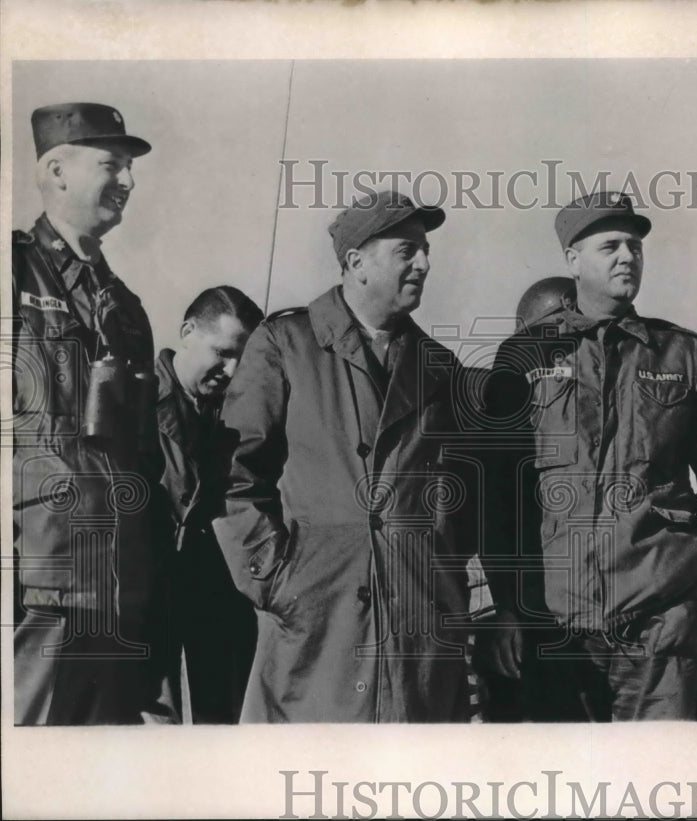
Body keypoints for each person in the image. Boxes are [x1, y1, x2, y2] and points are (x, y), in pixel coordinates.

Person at [481, 190, 697, 721]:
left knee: (657, 786)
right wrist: (510, 606)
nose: (628, 256)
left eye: (634, 246)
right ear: (573, 260)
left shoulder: (681, 353)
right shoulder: (525, 355)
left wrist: (695, 576)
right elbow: (500, 493)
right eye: (610, 246)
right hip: (555, 626)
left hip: (659, 628)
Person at [213, 189, 475, 722]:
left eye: (425, 250)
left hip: (416, 635)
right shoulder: (285, 343)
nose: (424, 263)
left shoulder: (438, 365)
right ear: (356, 262)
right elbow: (233, 474)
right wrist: (276, 581)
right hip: (317, 627)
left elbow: (458, 500)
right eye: (407, 250)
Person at [11, 102, 173, 724]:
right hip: (39, 584)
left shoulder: (124, 306)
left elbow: (143, 449)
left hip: (117, 586)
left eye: (130, 168)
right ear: (56, 171)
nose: (128, 182)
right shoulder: (14, 271)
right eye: (113, 165)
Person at [155, 286, 263, 723]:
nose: (231, 369)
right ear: (187, 333)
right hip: (147, 591)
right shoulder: (130, 399)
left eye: (242, 359)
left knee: (223, 720)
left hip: (213, 589)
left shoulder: (238, 413)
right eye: (222, 352)